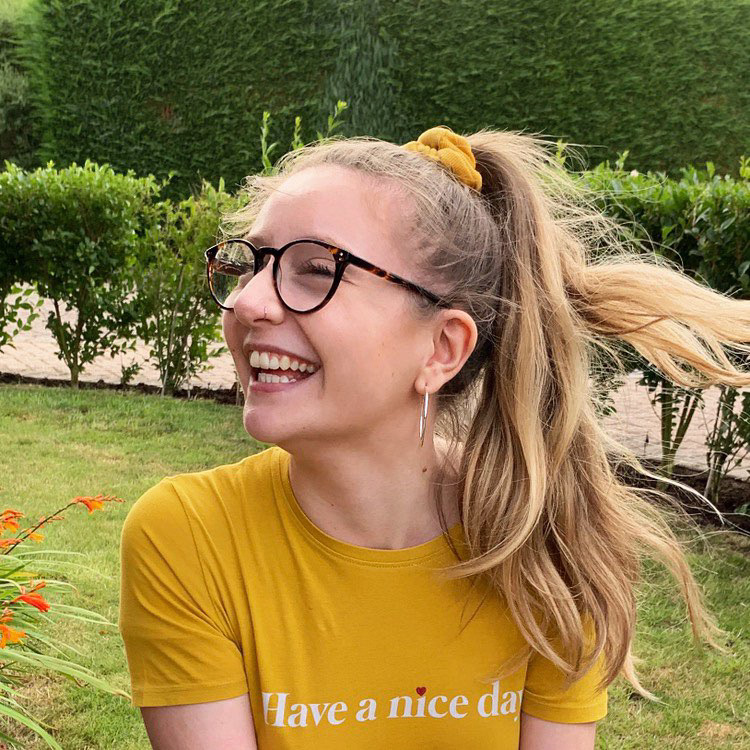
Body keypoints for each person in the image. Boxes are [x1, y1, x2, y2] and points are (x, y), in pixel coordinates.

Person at [118, 126, 750, 749]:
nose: (249, 301)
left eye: (315, 270)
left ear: (442, 348)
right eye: (251, 264)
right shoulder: (189, 537)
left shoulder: (539, 547)